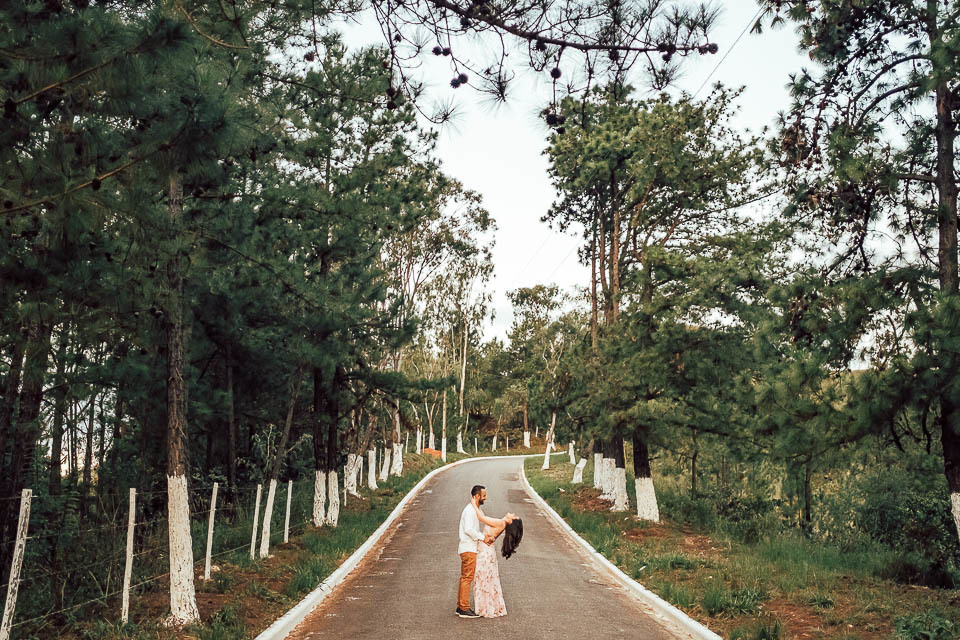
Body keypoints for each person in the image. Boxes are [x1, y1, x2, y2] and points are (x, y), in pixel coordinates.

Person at [472, 500, 523, 618]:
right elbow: (483, 516)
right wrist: (477, 504)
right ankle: (488, 605)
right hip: (487, 551)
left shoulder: (500, 522)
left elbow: (481, 518)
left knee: (483, 578)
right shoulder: (501, 523)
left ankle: (485, 607)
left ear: (511, 521)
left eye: (514, 516)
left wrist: (473, 503)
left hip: (485, 552)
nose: (512, 513)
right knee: (487, 579)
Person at [456, 485, 493, 618]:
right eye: (483, 496)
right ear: (477, 496)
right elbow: (468, 529)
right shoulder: (471, 510)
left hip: (467, 548)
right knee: (467, 578)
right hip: (469, 548)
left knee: (464, 577)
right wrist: (483, 538)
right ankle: (464, 608)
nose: (485, 498)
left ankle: (460, 606)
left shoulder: (473, 509)